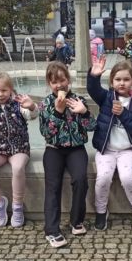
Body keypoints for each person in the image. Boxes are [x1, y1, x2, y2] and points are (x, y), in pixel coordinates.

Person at [87, 56, 132, 232]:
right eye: (118, 79)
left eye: (126, 79)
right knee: (103, 178)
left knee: (127, 178)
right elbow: (93, 89)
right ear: (111, 82)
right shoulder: (106, 98)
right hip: (106, 149)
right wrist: (93, 76)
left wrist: (123, 114)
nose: (122, 83)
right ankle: (101, 211)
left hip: (128, 150)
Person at [39, 61, 96, 248]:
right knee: (52, 186)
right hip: (54, 149)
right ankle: (51, 230)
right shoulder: (46, 104)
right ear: (49, 84)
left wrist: (84, 112)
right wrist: (58, 112)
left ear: (68, 80)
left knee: (80, 179)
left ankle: (76, 220)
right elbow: (46, 133)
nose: (59, 85)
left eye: (62, 80)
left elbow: (92, 127)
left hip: (76, 148)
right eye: (54, 82)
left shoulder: (78, 100)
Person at [0, 72, 37, 229]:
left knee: (18, 168)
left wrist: (31, 106)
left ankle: (17, 206)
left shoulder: (18, 103)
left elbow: (32, 116)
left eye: (4, 90)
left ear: (11, 89)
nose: (0, 94)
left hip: (19, 147)